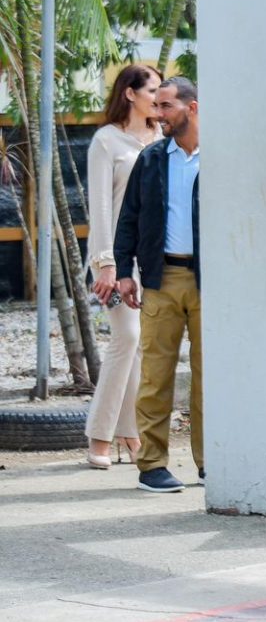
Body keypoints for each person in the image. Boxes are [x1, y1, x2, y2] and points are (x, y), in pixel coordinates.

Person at [112, 76, 201, 494]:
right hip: (160, 279)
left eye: (166, 106)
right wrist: (125, 272)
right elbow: (129, 216)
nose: (158, 114)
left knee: (210, 376)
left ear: (192, 107)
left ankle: (211, 463)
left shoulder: (221, 157)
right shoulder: (151, 159)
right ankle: (152, 466)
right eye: (157, 106)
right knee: (155, 375)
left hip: (209, 281)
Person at [82, 64, 162, 469]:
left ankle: (131, 435)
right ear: (130, 93)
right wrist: (105, 264)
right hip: (114, 260)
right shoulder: (106, 142)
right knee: (126, 338)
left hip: (154, 260)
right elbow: (99, 207)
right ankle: (99, 434)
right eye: (152, 90)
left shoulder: (164, 139)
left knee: (140, 346)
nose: (158, 98)